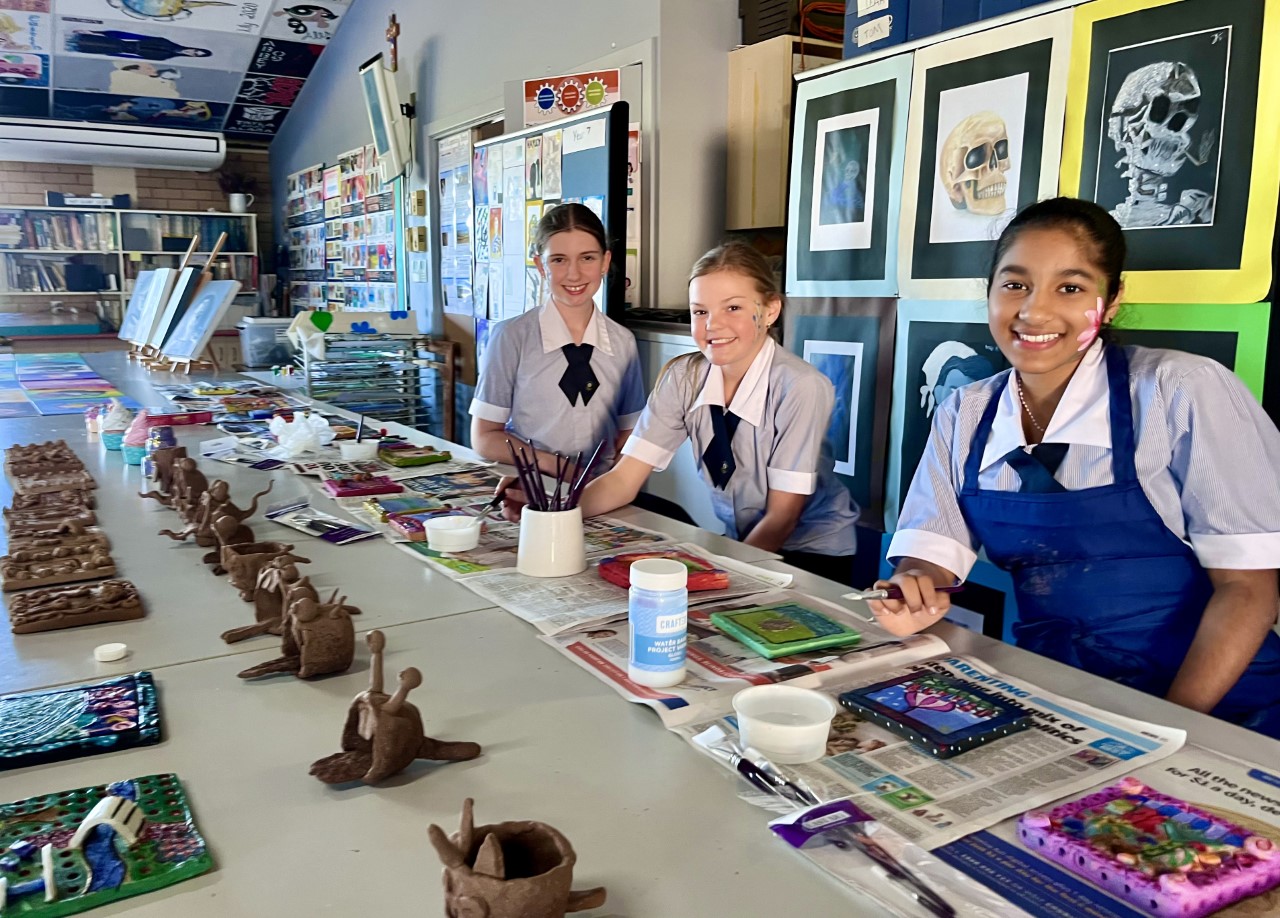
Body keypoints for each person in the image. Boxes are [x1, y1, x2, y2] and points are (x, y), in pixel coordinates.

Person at [874, 196, 1280, 738]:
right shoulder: (966, 412)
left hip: (1222, 707)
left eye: (1070, 288)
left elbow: (1249, 591)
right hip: (1061, 697)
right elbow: (929, 555)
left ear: (1110, 301)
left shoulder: (1179, 392)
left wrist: (1170, 728)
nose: (1034, 312)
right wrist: (913, 587)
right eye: (1015, 284)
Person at [577, 241, 859, 581]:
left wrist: (726, 578)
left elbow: (783, 516)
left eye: (734, 308)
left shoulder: (800, 387)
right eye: (700, 311)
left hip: (810, 553)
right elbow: (623, 479)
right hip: (744, 544)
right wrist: (555, 516)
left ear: (770, 311)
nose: (713, 324)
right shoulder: (684, 377)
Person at [470, 202, 645, 480]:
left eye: (587, 258)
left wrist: (614, 483)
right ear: (540, 264)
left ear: (605, 262)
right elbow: (484, 437)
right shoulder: (511, 337)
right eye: (559, 260)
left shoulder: (623, 343)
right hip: (534, 487)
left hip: (600, 493)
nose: (574, 274)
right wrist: (552, 465)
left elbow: (630, 432)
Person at [66, 29, 213, 61]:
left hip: (116, 49)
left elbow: (137, 58)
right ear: (195, 48)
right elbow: (134, 36)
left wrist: (112, 54)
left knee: (81, 47)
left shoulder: (165, 57)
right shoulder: (166, 43)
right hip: (118, 42)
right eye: (197, 51)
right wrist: (95, 31)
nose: (193, 52)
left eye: (196, 55)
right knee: (79, 39)